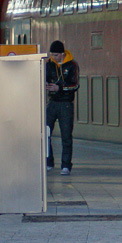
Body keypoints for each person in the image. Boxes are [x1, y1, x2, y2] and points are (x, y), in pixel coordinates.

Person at [45, 40, 79, 175]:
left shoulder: (72, 65)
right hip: (51, 102)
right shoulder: (48, 64)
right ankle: (48, 162)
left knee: (66, 135)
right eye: (52, 55)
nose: (54, 57)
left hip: (66, 104)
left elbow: (75, 85)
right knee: (46, 132)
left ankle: (66, 165)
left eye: (57, 55)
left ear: (63, 54)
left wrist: (60, 88)